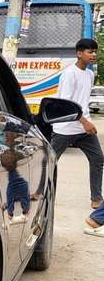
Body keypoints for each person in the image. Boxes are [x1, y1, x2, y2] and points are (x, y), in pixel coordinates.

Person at [51, 38, 103, 210]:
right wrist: (85, 122)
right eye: (90, 51)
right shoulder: (69, 74)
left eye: (95, 51)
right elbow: (66, 104)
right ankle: (37, 192)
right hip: (65, 128)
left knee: (97, 158)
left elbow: (82, 101)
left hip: (83, 128)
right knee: (50, 161)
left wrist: (86, 122)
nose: (93, 54)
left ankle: (96, 198)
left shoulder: (89, 74)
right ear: (79, 53)